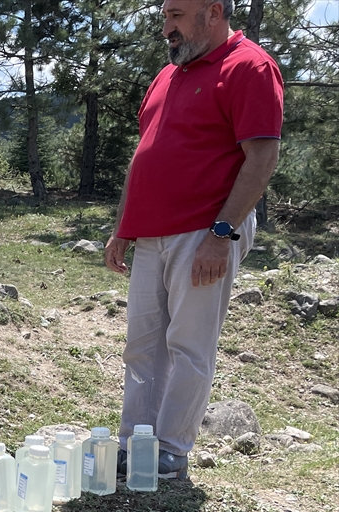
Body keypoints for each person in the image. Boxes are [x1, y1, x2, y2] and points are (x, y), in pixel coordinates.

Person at [105, 0, 282, 481]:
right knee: (142, 346)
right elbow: (146, 154)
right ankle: (134, 443)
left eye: (176, 16)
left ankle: (170, 450)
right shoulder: (168, 74)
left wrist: (221, 234)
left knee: (188, 344)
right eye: (164, 17)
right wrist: (124, 224)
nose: (167, 29)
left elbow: (261, 156)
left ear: (213, 11)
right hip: (153, 232)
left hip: (205, 229)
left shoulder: (248, 66)